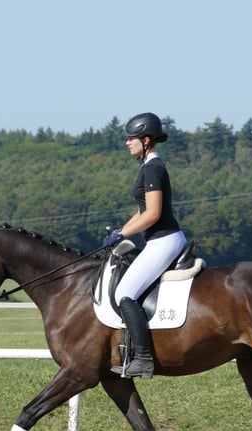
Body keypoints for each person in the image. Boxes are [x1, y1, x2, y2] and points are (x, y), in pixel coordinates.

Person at [102, 112, 187, 379]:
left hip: (164, 240)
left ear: (146, 140)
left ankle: (143, 358)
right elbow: (142, 211)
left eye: (132, 138)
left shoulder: (153, 168)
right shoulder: (148, 166)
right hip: (159, 239)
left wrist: (122, 234)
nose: (127, 142)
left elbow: (153, 214)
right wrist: (120, 231)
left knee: (125, 293)